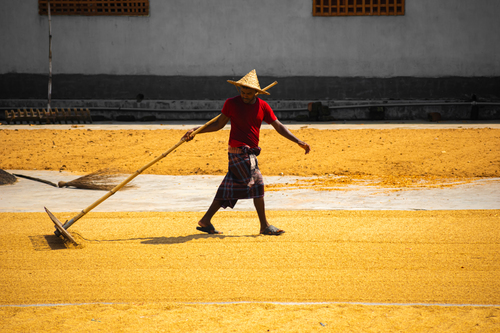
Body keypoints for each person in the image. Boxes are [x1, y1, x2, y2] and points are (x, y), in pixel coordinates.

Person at [183, 69, 311, 235]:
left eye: (248, 93)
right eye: (242, 91)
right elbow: (218, 125)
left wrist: (298, 141)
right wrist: (195, 130)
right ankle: (264, 226)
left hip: (249, 152)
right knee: (257, 183)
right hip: (239, 152)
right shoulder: (231, 103)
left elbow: (278, 126)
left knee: (229, 187)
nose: (244, 95)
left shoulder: (263, 106)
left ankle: (205, 220)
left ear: (256, 92)